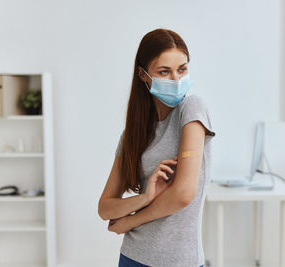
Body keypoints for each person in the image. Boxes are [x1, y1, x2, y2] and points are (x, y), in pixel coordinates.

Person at [98, 28, 216, 267]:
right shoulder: (133, 134)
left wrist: (130, 221)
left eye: (182, 69)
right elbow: (105, 207)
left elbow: (182, 195)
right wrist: (145, 197)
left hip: (179, 261)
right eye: (164, 71)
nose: (176, 80)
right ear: (143, 75)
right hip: (132, 256)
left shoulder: (192, 109)